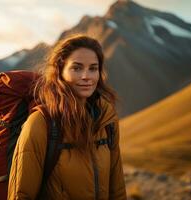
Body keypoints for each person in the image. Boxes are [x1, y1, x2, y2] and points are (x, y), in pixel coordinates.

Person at [7, 34, 127, 200]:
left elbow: (117, 189)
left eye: (93, 68)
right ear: (59, 71)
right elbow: (21, 195)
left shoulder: (107, 120)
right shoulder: (41, 123)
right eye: (76, 68)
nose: (86, 76)